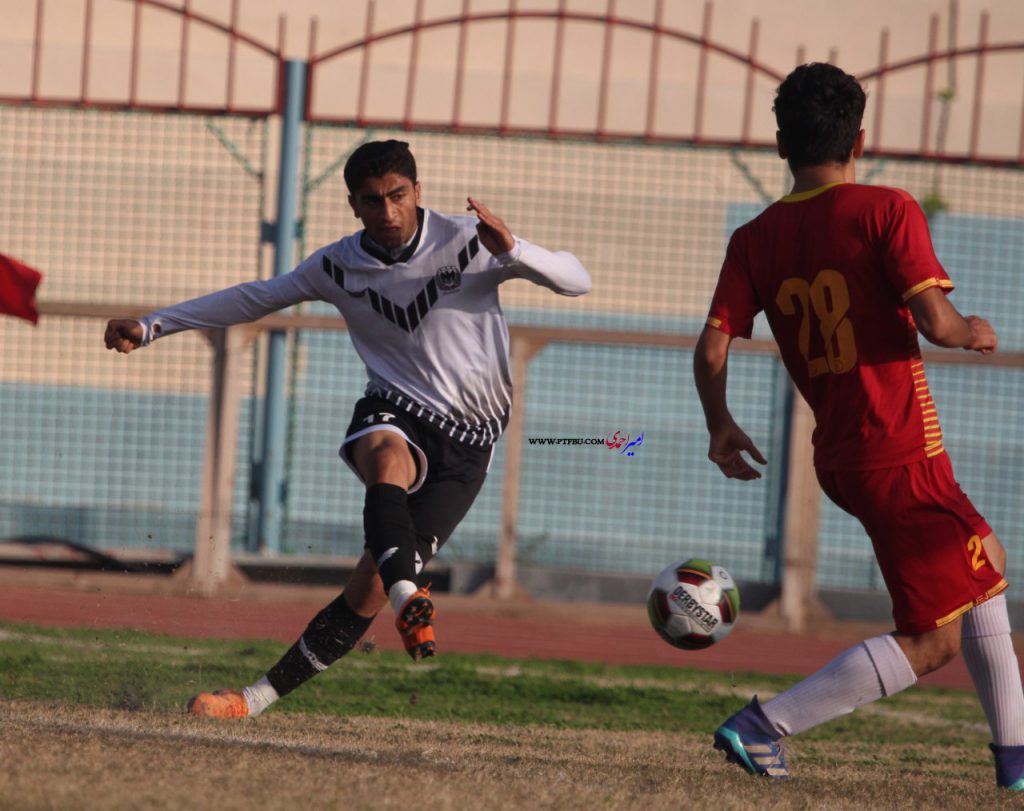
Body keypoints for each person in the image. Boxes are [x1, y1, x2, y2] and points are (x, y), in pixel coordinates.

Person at [105, 139, 591, 718]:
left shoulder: (469, 240)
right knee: (385, 455)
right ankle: (410, 595)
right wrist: (152, 323)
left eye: (398, 196)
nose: (387, 212)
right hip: (396, 406)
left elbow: (575, 280)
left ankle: (254, 700)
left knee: (368, 589)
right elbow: (255, 297)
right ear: (353, 206)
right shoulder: (337, 264)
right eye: (372, 200)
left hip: (470, 443)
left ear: (418, 192)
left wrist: (515, 249)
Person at [693, 63, 1024, 789]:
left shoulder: (754, 238)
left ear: (780, 144)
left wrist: (720, 425)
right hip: (898, 448)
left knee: (986, 569)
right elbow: (937, 323)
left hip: (843, 454)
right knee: (931, 641)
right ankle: (764, 724)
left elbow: (714, 344)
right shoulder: (887, 208)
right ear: (861, 139)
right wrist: (975, 329)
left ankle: (1015, 763)